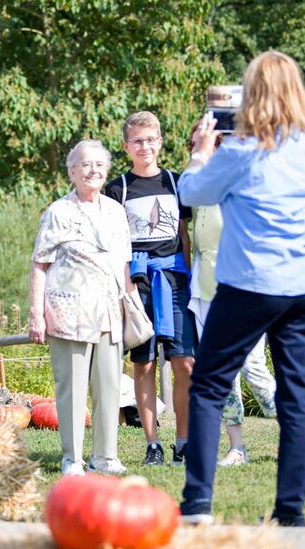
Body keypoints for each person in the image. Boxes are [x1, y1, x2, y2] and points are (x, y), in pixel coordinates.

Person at [177, 51, 305, 526]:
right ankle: (291, 512)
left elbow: (190, 193)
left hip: (249, 286)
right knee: (295, 391)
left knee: (207, 385)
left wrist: (202, 154)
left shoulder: (240, 154)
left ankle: (198, 505)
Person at [29, 139, 135, 476]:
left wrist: (132, 305)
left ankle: (105, 455)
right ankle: (72, 457)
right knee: (72, 386)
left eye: (100, 165)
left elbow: (124, 266)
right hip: (68, 311)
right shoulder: (58, 212)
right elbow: (39, 265)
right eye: (86, 165)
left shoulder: (116, 211)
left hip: (109, 310)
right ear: (72, 171)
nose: (94, 171)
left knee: (109, 385)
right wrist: (36, 314)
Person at [105, 111, 196, 467]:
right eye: (138, 141)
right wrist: (123, 289)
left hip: (174, 282)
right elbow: (114, 245)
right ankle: (153, 444)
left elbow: (184, 235)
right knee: (143, 365)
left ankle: (183, 441)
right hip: (138, 285)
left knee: (185, 363)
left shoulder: (177, 183)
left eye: (151, 139)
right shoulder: (118, 189)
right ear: (127, 146)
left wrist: (189, 277)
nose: (145, 146)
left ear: (160, 141)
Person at [186, 123, 277, 468]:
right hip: (206, 290)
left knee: (252, 364)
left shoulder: (240, 181)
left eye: (204, 143)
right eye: (194, 145)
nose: (198, 150)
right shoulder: (197, 186)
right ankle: (237, 447)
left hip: (242, 289)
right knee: (221, 371)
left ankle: (293, 429)